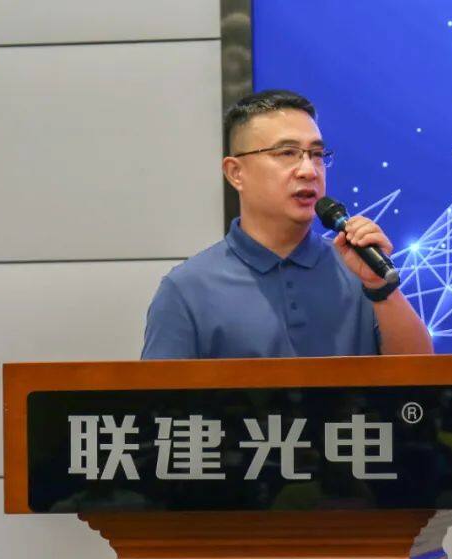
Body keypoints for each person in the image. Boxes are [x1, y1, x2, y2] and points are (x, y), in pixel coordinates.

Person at [141, 89, 433, 359]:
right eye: (287, 153)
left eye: (316, 155)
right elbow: (161, 397)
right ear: (235, 173)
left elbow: (424, 383)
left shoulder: (358, 269)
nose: (309, 171)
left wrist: (380, 289)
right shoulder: (188, 289)